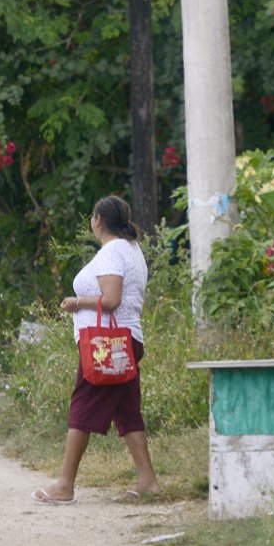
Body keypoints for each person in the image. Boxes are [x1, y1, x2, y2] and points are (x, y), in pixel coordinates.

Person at [33, 195, 161, 505]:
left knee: (83, 403)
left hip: (106, 345)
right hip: (126, 341)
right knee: (126, 409)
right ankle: (148, 481)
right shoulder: (131, 249)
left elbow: (112, 299)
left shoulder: (112, 251)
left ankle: (65, 485)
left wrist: (77, 303)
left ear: (97, 220)